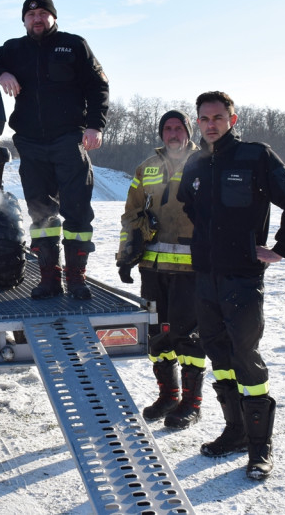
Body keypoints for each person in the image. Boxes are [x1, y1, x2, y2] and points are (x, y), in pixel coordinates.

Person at [178, 91, 285, 480]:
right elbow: (190, 202)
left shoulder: (256, 157)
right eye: (204, 118)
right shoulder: (196, 161)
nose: (211, 124)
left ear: (232, 120)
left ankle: (259, 447)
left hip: (242, 277)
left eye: (218, 117)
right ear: (198, 122)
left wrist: (280, 248)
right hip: (205, 275)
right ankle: (234, 432)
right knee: (218, 355)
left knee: (245, 355)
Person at [0, 0, 109, 300]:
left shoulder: (74, 45)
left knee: (77, 213)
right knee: (41, 214)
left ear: (53, 18)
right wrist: (1, 72)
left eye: (44, 14)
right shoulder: (13, 50)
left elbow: (98, 86)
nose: (37, 19)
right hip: (31, 143)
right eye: (31, 15)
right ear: (24, 20)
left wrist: (96, 125)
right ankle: (50, 279)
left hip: (68, 140)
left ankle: (77, 279)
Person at [117, 110, 206, 429]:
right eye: (167, 128)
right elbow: (131, 214)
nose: (172, 133)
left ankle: (192, 404)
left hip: (192, 270)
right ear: (161, 133)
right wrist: (125, 255)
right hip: (152, 268)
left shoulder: (205, 162)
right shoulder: (146, 168)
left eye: (178, 128)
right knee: (158, 336)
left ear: (188, 131)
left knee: (188, 337)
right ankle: (168, 395)